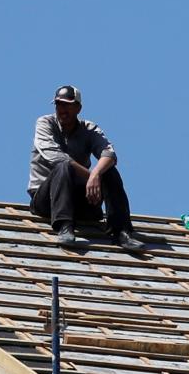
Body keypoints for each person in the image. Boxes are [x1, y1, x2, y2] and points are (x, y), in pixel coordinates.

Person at [29, 85, 146, 253]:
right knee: (64, 166)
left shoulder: (88, 128)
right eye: (58, 105)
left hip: (79, 201)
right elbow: (56, 157)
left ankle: (121, 232)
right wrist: (92, 177)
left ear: (78, 108)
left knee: (109, 171)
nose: (62, 109)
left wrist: (97, 174)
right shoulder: (45, 123)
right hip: (46, 201)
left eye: (67, 105)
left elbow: (109, 154)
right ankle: (64, 228)